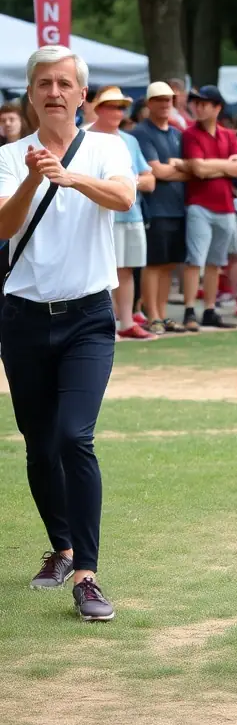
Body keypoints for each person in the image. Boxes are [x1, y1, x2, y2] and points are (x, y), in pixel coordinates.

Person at [0, 44, 136, 620]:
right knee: (38, 442)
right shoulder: (9, 157)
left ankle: (87, 574)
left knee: (74, 437)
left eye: (65, 83)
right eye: (44, 84)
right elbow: (3, 226)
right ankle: (60, 547)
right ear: (30, 95)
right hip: (24, 316)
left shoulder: (107, 146)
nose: (54, 92)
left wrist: (70, 176)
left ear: (82, 94)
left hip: (87, 318)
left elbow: (124, 197)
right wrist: (33, 181)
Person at [89, 86, 156, 340]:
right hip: (98, 215)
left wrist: (126, 185)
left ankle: (126, 321)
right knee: (102, 271)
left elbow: (149, 179)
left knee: (126, 270)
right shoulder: (85, 136)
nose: (118, 111)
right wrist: (125, 184)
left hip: (130, 213)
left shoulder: (130, 140)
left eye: (121, 106)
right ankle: (105, 324)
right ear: (98, 109)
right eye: (112, 106)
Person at [181, 84, 237, 330]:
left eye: (204, 103)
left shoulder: (228, 135)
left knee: (215, 262)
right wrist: (225, 165)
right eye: (196, 103)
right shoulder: (190, 134)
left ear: (217, 107)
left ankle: (209, 309)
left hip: (225, 206)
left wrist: (212, 167)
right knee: (195, 259)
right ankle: (189, 310)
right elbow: (197, 168)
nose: (198, 107)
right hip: (200, 204)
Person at [133, 83, 188, 335]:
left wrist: (178, 169)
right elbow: (157, 170)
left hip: (177, 207)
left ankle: (162, 314)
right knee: (153, 264)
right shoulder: (141, 133)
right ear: (149, 103)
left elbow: (186, 171)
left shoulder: (177, 133)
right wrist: (184, 168)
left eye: (168, 99)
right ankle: (151, 315)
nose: (165, 104)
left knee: (169, 265)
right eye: (159, 100)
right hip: (155, 209)